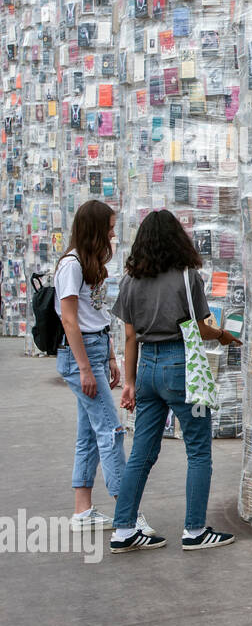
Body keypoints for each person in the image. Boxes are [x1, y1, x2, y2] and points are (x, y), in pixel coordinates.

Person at [110, 209, 241, 553]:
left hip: (147, 368)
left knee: (141, 452)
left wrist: (129, 382)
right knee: (198, 449)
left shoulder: (129, 281)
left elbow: (129, 337)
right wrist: (223, 335)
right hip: (181, 366)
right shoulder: (188, 277)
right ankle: (195, 530)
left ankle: (123, 528)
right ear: (177, 239)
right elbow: (200, 327)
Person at [54, 200, 141, 534]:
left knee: (90, 431)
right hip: (82, 354)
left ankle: (83, 509)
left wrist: (111, 357)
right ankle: (126, 514)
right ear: (95, 229)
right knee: (111, 429)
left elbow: (96, 315)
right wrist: (85, 369)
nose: (113, 234)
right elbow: (70, 320)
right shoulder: (71, 265)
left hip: (96, 347)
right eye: (109, 228)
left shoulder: (90, 264)